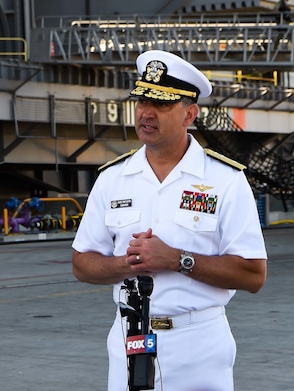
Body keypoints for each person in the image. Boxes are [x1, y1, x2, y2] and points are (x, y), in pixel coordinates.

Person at [71, 50, 267, 391]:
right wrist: (127, 264)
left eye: (161, 104)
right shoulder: (113, 178)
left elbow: (253, 275)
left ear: (190, 113)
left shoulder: (225, 180)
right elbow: (82, 264)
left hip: (198, 344)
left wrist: (178, 260)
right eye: (141, 102)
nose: (146, 113)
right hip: (128, 339)